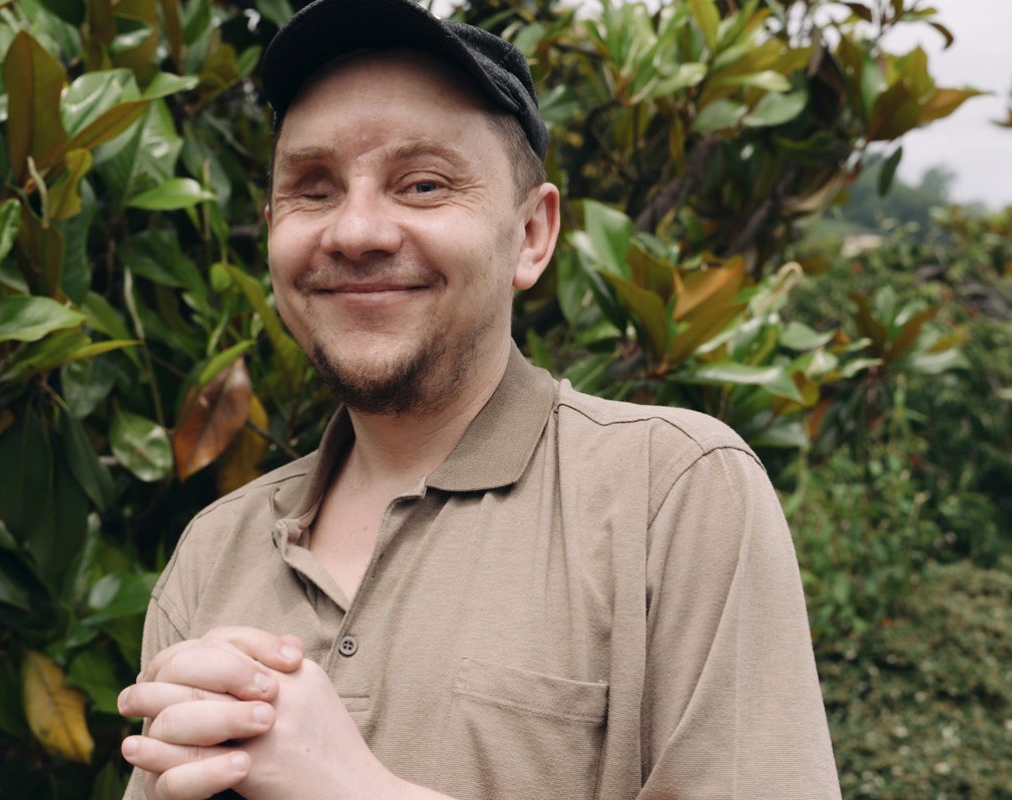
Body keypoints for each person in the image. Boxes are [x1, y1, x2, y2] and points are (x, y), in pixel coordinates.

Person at [118, 0, 841, 797]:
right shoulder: (213, 552)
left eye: (423, 184)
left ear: (531, 235)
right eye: (313, 190)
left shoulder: (672, 494)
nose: (355, 231)